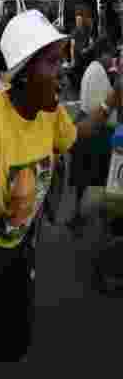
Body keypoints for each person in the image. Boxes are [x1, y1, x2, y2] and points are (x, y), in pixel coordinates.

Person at [0, 9, 122, 379]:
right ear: (21, 72)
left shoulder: (49, 108)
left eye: (61, 58)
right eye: (52, 62)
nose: (64, 70)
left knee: (15, 342)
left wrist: (112, 99)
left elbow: (74, 138)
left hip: (17, 249)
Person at [70, 38, 120, 237]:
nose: (113, 61)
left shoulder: (94, 68)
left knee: (83, 175)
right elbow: (102, 111)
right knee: (99, 173)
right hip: (92, 130)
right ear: (103, 54)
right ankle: (98, 219)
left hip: (87, 126)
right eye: (111, 56)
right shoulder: (98, 72)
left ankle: (78, 215)